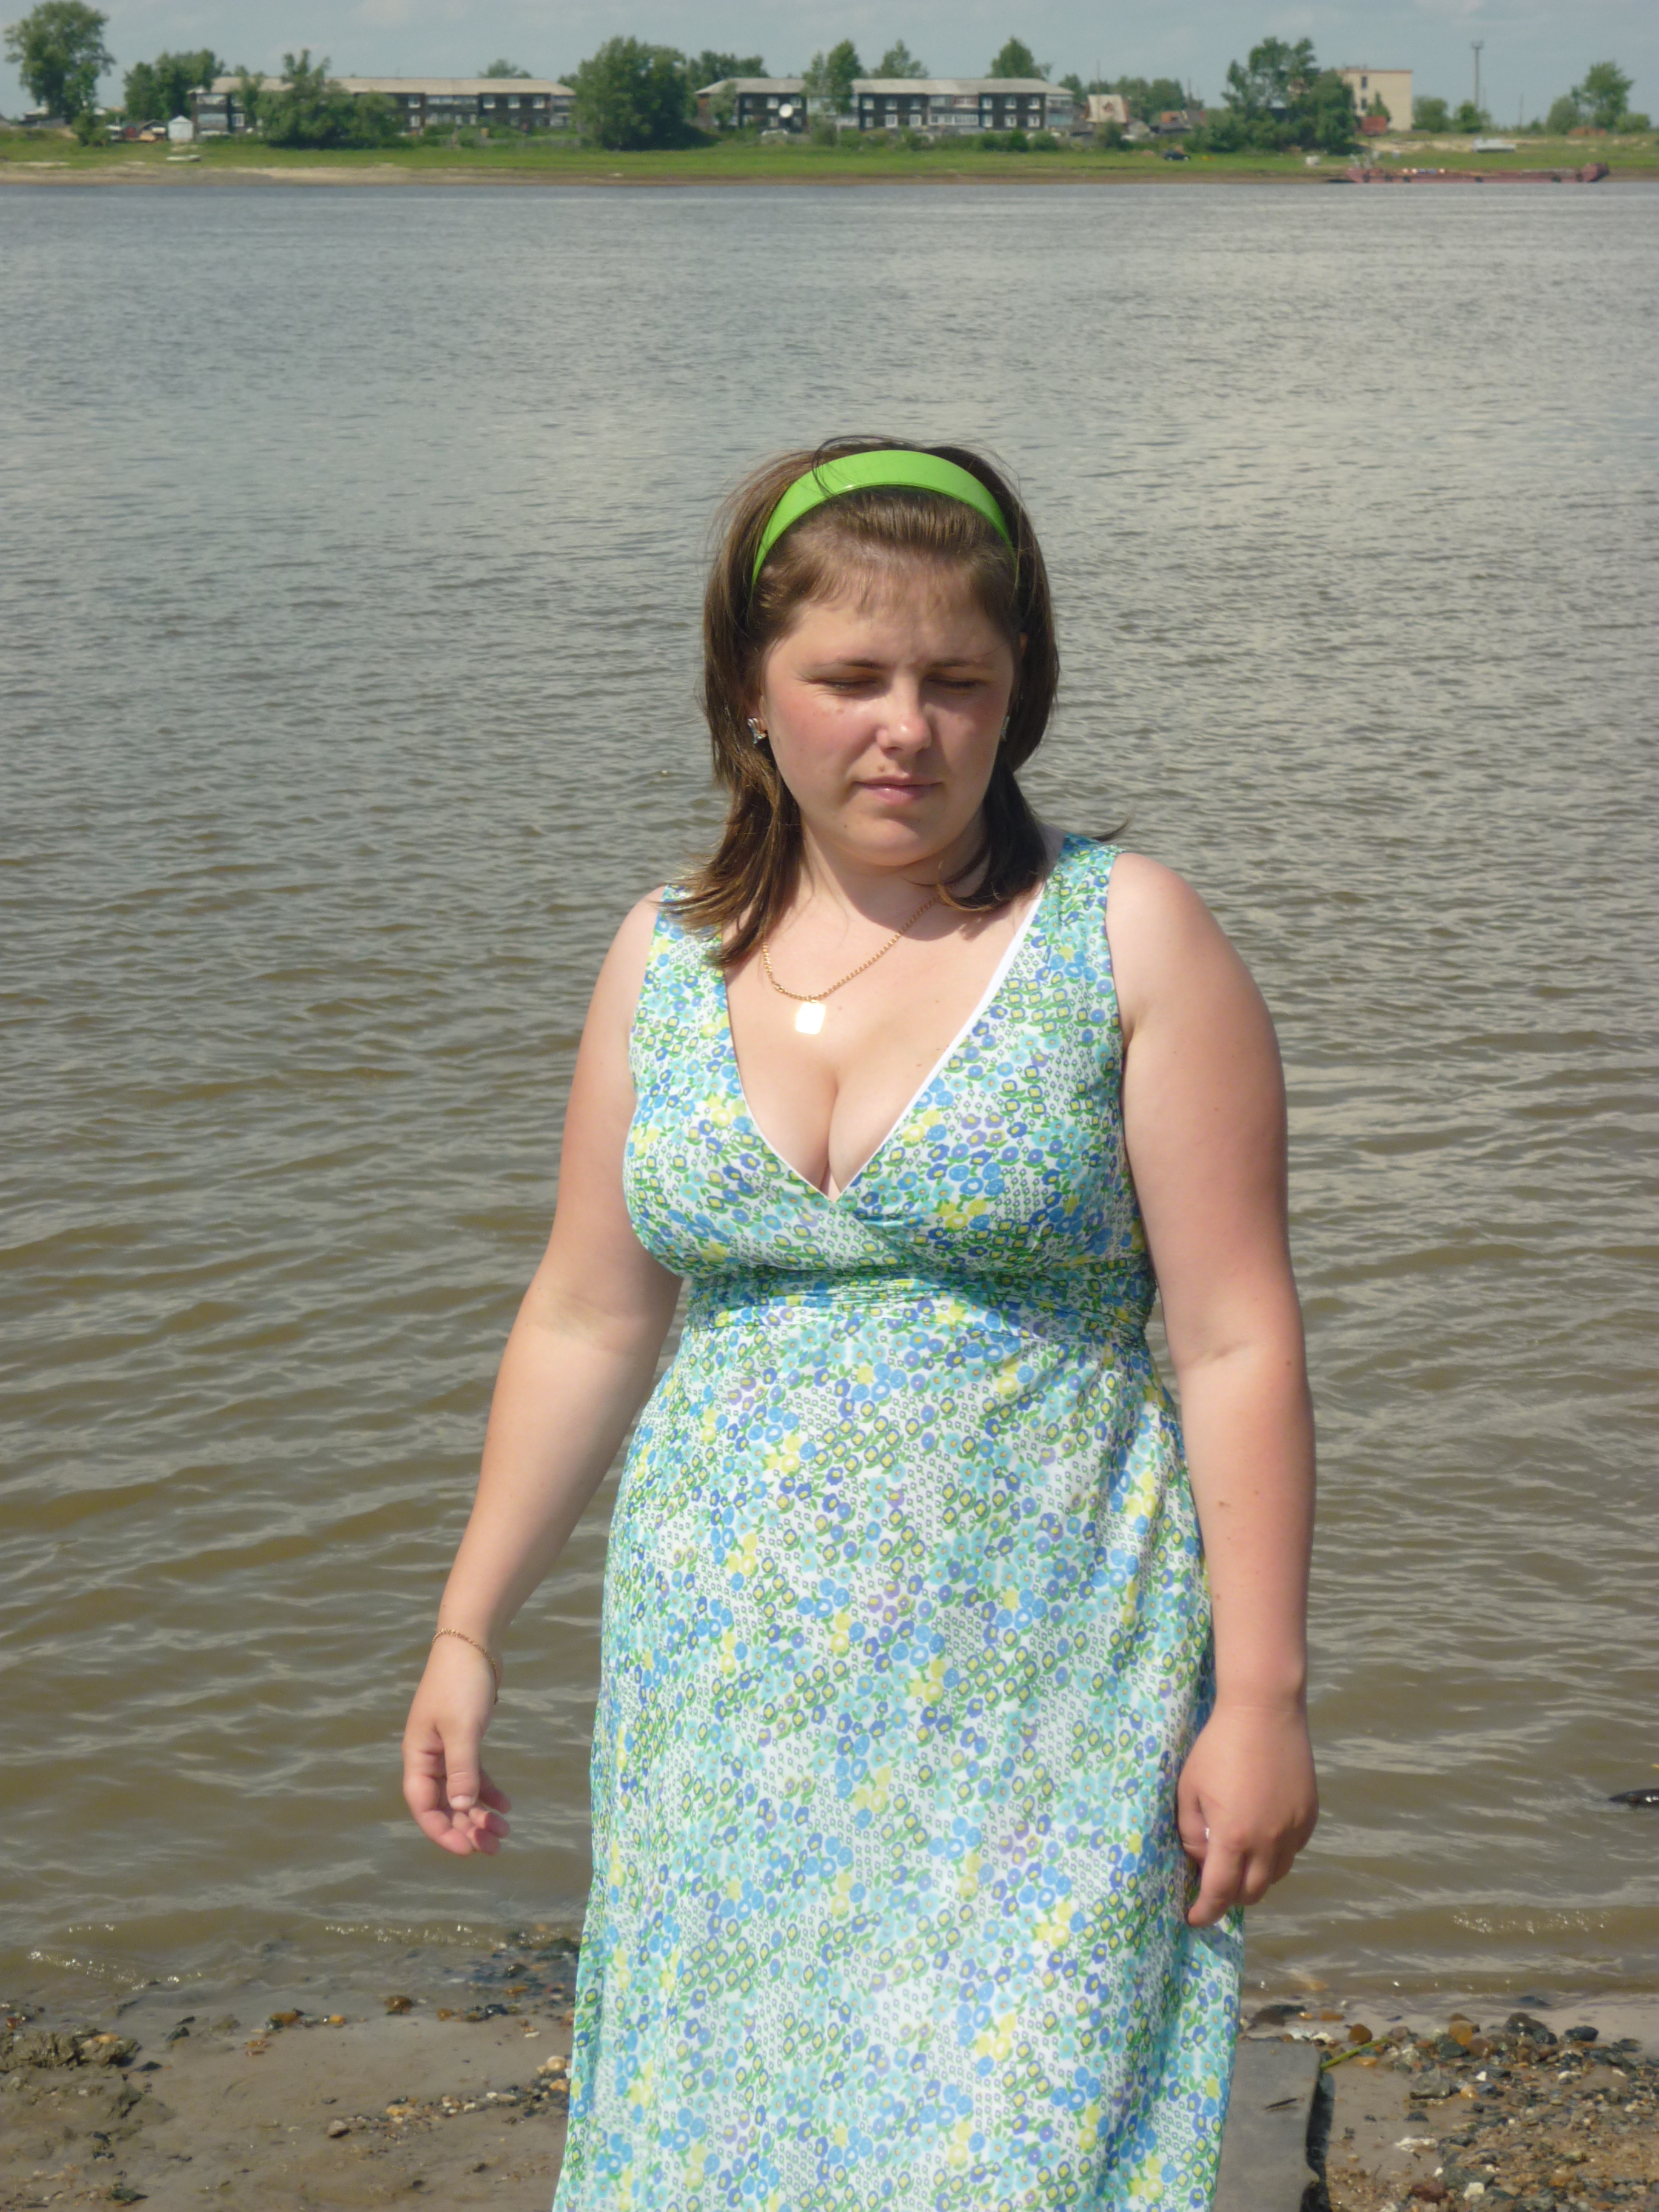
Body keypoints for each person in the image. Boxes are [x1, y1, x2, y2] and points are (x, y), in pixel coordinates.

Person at [401, 440, 1318, 2209]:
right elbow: (589, 1313)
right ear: (751, 694)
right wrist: (468, 1628)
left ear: (1017, 693)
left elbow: (1235, 1342)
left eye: (957, 681)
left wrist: (1263, 1695)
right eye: (853, 678)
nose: (907, 728)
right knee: (729, 2128)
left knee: (1020, 2132)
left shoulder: (1125, 936)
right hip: (727, 1680)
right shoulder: (664, 953)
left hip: (1050, 1665)